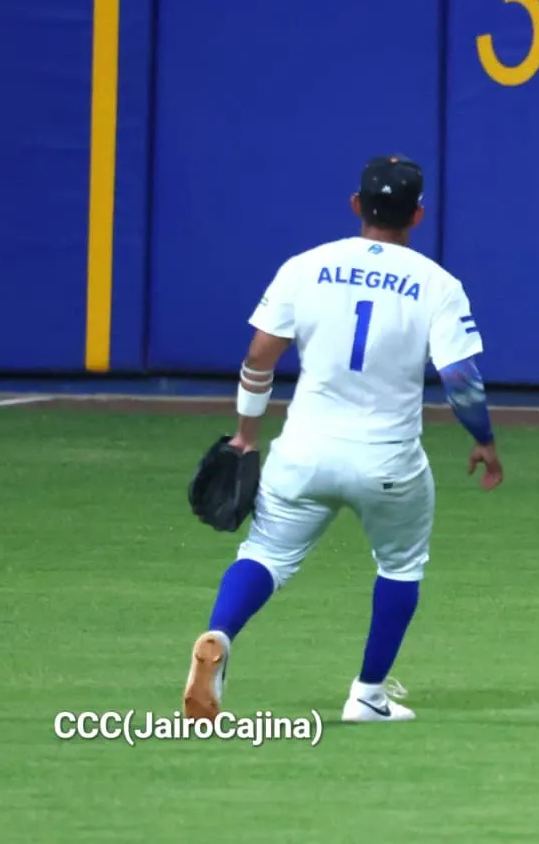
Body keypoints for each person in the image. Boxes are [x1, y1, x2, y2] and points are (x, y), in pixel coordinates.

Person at [181, 154, 504, 722]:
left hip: (304, 452)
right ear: (419, 215)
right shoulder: (438, 285)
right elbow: (460, 378)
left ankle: (220, 635)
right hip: (387, 461)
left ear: (357, 206)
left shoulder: (306, 266)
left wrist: (245, 435)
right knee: (400, 566)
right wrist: (484, 440)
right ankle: (368, 695)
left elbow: (259, 355)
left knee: (265, 554)